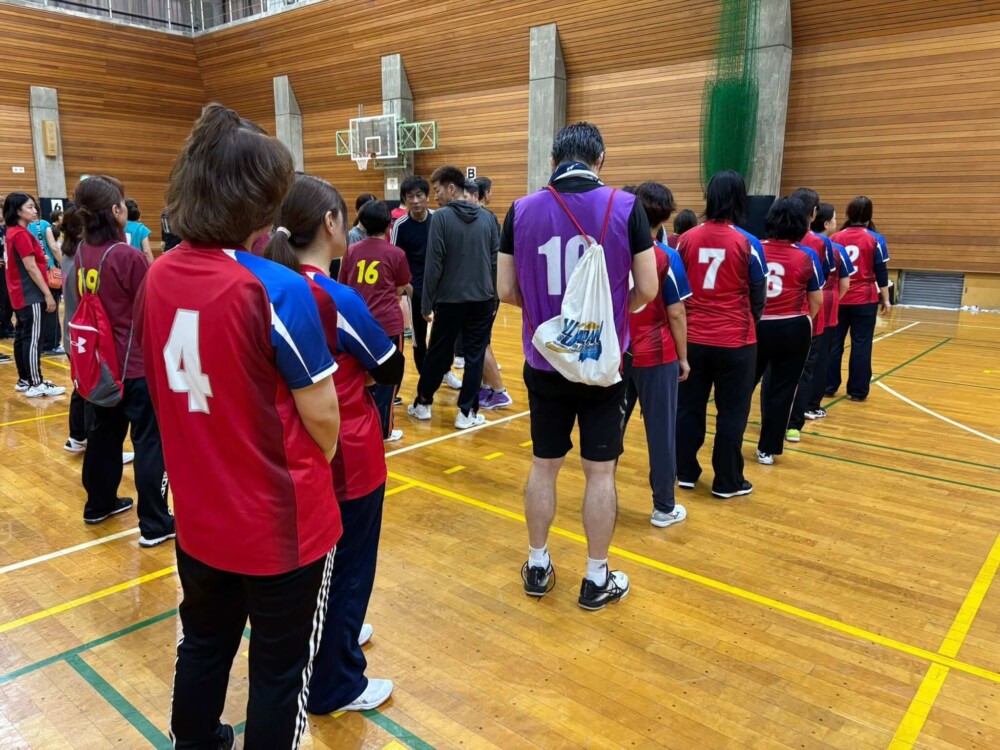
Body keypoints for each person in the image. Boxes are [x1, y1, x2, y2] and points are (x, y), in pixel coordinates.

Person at [137, 103, 342, 750]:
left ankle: (196, 740)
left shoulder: (157, 275)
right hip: (280, 525)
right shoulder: (277, 288)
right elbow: (324, 419)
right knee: (280, 672)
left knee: (203, 640)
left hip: (200, 515)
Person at [497, 122, 658, 610]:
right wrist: (608, 318)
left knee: (544, 466)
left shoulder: (520, 209)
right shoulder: (626, 206)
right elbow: (648, 289)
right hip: (602, 362)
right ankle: (595, 577)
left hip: (545, 360)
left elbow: (505, 290)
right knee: (600, 473)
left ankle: (538, 564)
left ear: (553, 161)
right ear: (600, 160)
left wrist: (552, 323)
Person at [266, 173, 403, 716]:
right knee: (349, 565)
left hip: (294, 450)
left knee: (323, 566)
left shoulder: (265, 284)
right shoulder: (331, 295)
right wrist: (357, 375)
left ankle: (335, 634)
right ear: (329, 223)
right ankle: (337, 682)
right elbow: (389, 364)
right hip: (348, 450)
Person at [73, 175, 174, 544]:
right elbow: (152, 308)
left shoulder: (82, 251)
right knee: (149, 442)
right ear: (116, 210)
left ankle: (98, 504)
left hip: (100, 367)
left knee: (102, 438)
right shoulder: (127, 256)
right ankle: (155, 524)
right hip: (134, 368)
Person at [675, 170, 767, 498]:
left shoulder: (685, 240)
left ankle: (684, 471)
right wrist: (749, 319)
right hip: (736, 342)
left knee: (688, 408)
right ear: (740, 200)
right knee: (732, 413)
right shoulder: (749, 242)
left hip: (692, 340)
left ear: (709, 197)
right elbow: (759, 293)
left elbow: (675, 290)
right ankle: (727, 481)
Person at [408, 165, 499, 429]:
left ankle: (423, 404)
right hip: (483, 300)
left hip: (449, 301)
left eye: (437, 190)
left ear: (451, 189)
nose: (435, 196)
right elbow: (495, 262)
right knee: (475, 355)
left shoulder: (440, 218)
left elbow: (433, 264)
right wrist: (494, 298)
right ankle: (466, 413)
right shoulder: (489, 219)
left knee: (437, 353)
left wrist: (426, 303)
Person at [623, 182, 692, 528]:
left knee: (609, 428)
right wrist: (684, 357)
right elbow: (676, 312)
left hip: (619, 353)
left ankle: (600, 493)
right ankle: (664, 507)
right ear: (665, 216)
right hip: (657, 354)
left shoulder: (612, 250)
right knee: (661, 433)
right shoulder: (666, 256)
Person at [752, 197, 824, 465]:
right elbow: (816, 300)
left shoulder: (755, 248)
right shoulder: (807, 255)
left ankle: (730, 440)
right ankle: (767, 449)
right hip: (793, 326)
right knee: (783, 390)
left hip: (757, 325)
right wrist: (801, 321)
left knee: (742, 387)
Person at [339, 199, 411, 441]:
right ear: (389, 224)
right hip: (387, 325)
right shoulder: (396, 254)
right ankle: (384, 430)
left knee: (360, 378)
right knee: (388, 381)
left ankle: (361, 425)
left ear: (362, 223)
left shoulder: (350, 251)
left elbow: (342, 285)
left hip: (356, 326)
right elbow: (400, 288)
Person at [788, 201, 852, 430]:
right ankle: (809, 406)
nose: (836, 223)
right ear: (819, 218)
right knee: (816, 359)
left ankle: (788, 409)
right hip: (819, 306)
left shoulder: (783, 240)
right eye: (834, 218)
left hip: (787, 309)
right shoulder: (829, 246)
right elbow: (841, 283)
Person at [828, 196, 891, 401]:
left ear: (848, 214)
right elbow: (881, 271)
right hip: (865, 299)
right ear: (869, 215)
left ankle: (828, 386)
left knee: (834, 344)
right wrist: (886, 299)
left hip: (839, 299)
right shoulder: (875, 239)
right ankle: (857, 391)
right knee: (862, 344)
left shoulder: (835, 238)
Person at [3, 193, 63, 396]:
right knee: (33, 338)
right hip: (30, 294)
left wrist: (39, 258)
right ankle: (35, 383)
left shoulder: (13, 232)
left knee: (23, 336)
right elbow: (30, 267)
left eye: (34, 206)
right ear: (17, 210)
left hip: (20, 293)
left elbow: (26, 261)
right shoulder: (20, 234)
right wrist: (47, 294)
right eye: (29, 207)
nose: (35, 210)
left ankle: (25, 380)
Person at [471, 175, 512, 411]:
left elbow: (494, 259)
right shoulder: (484, 218)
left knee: (480, 342)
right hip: (483, 290)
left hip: (485, 291)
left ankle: (499, 392)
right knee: (481, 341)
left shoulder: (486, 219)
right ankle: (487, 387)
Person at [391, 177, 435, 377]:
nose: (415, 200)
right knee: (419, 338)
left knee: (442, 335)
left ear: (427, 196)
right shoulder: (400, 225)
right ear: (405, 199)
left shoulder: (438, 219)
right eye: (410, 196)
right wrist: (407, 287)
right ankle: (424, 378)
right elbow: (394, 259)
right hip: (415, 289)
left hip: (440, 287)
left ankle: (442, 371)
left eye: (419, 195)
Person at [28, 206, 64, 354]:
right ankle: (52, 344)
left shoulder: (22, 227)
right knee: (52, 309)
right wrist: (64, 265)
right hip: (48, 271)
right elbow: (53, 247)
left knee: (39, 310)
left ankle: (40, 343)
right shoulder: (43, 224)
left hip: (31, 272)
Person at [124, 198, 155, 265]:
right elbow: (146, 251)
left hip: (121, 263)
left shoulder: (118, 227)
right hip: (136, 264)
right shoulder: (141, 228)